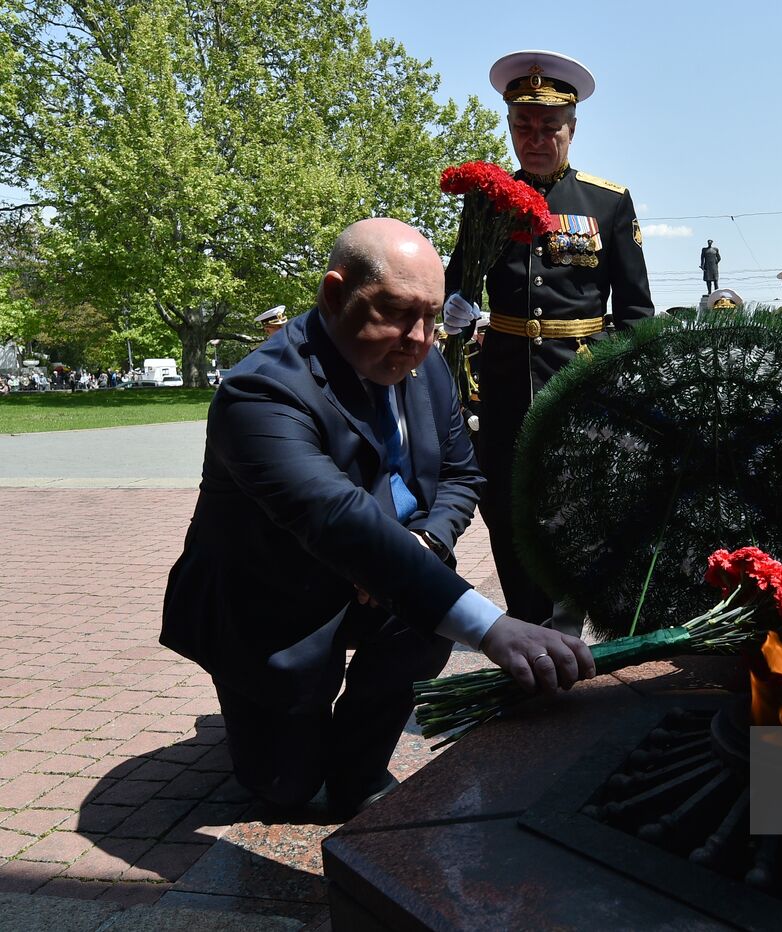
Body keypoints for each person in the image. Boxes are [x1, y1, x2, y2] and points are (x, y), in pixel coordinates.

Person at [161, 219, 594, 816]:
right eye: (394, 311)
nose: (418, 338)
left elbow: (461, 477)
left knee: (419, 629)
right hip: (272, 609)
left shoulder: (427, 364)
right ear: (334, 295)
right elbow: (337, 518)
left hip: (381, 581)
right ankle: (290, 746)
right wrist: (494, 628)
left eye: (433, 316)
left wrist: (420, 544)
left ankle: (357, 765)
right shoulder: (259, 395)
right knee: (287, 792)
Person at [443, 50, 654, 633]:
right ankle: (528, 614)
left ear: (572, 128)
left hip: (580, 378)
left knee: (579, 502)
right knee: (506, 503)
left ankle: (568, 615)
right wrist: (454, 303)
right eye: (522, 126)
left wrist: (627, 390)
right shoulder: (487, 198)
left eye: (549, 126)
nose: (535, 138)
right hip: (506, 378)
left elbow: (635, 311)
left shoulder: (606, 202)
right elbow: (460, 275)